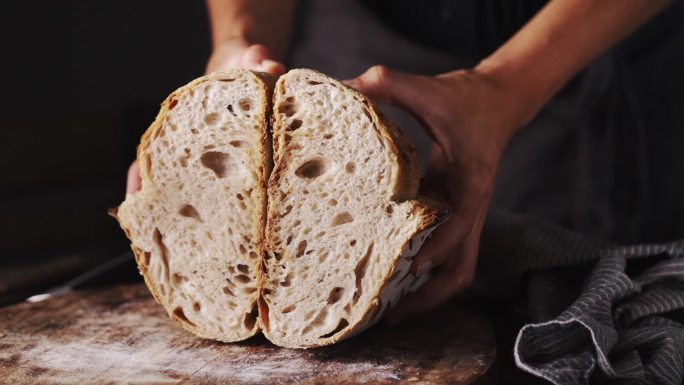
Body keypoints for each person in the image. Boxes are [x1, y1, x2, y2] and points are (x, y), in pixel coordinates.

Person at [127, 0, 680, 324]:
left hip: (609, 47)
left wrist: (503, 90)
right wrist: (238, 43)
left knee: (594, 297)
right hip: (370, 47)